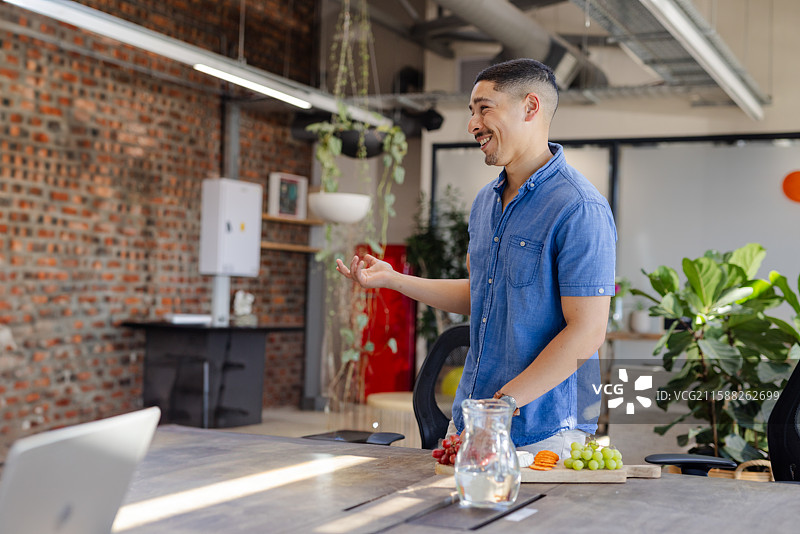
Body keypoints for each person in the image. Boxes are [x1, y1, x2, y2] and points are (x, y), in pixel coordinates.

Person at [336, 58, 616, 459]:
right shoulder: (486, 202)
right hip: (474, 417)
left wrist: (504, 405)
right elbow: (483, 294)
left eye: (484, 108)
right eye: (471, 111)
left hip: (543, 431)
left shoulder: (579, 207)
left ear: (530, 108)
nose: (472, 124)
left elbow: (587, 333)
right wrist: (393, 279)